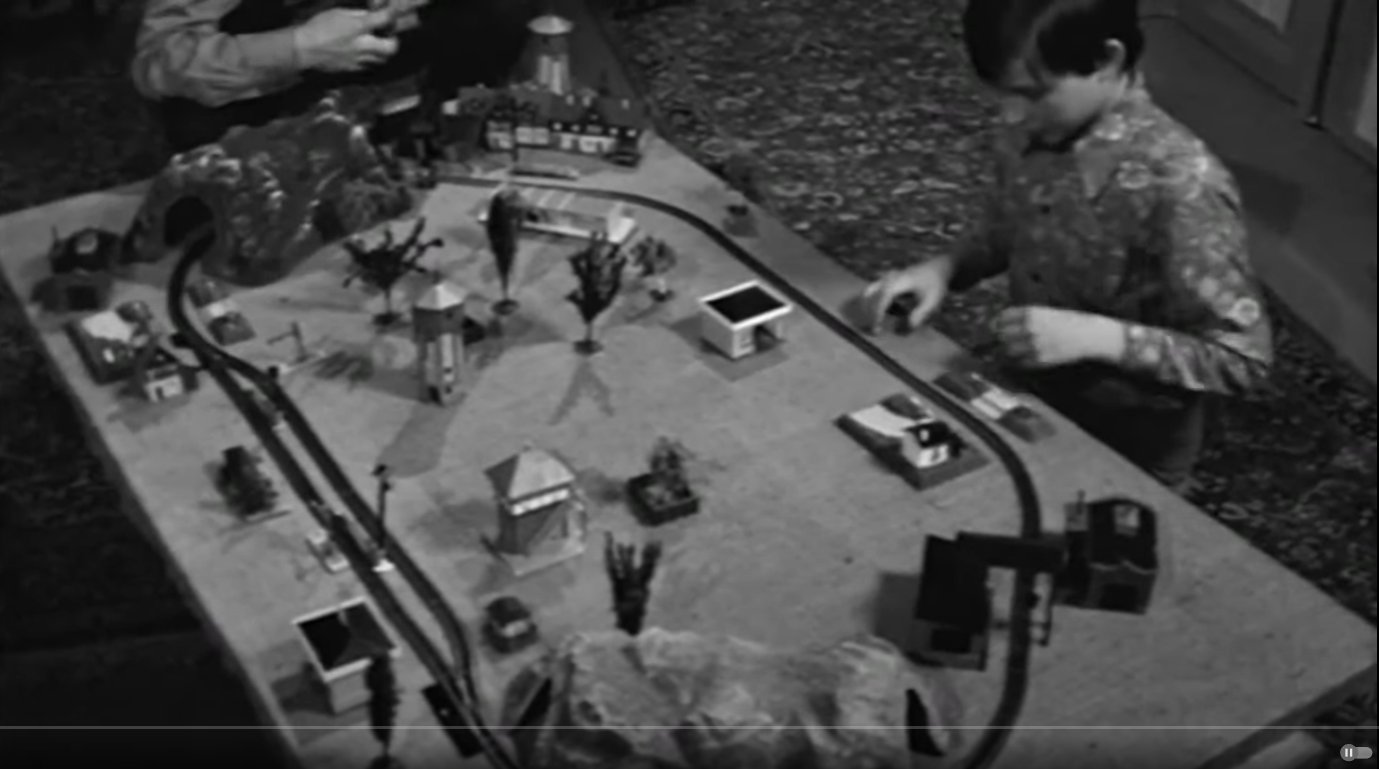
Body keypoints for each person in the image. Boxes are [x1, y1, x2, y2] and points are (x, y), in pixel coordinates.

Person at [862, 0, 1273, 492]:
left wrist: (1096, 337)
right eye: (1001, 93)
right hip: (1026, 392)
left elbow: (1242, 359)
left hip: (1131, 441)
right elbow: (1010, 224)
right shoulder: (1033, 125)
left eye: (1031, 93)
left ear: (1107, 60)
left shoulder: (1183, 185)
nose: (1010, 114)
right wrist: (945, 268)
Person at [131, 0, 531, 152]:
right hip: (258, 82)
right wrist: (303, 47)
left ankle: (454, 138)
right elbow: (158, 65)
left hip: (372, 40)